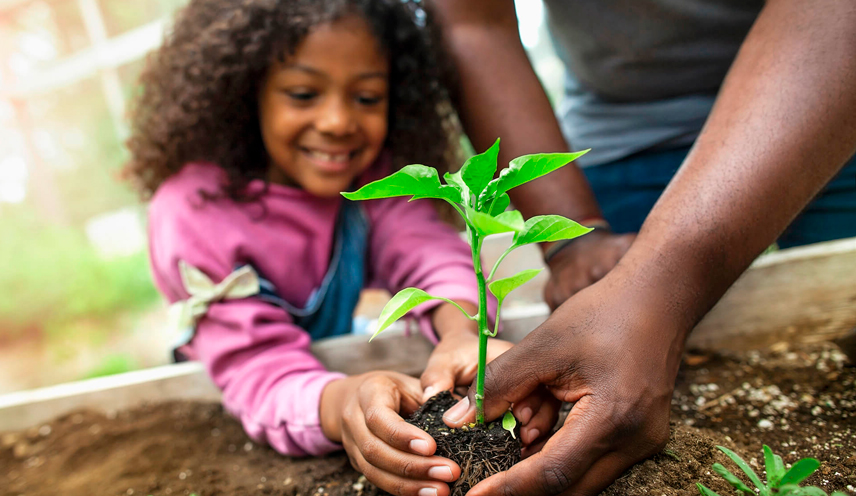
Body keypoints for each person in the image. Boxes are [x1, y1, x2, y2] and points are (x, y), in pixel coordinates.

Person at [124, 2, 556, 495]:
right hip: (236, 375)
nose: (336, 121)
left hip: (323, 353)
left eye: (367, 97)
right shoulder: (195, 210)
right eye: (304, 93)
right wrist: (341, 403)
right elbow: (257, 369)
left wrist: (462, 332)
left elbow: (426, 254)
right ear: (246, 93)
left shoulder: (369, 181)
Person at [429, 0, 856, 495]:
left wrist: (659, 285)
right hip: (627, 132)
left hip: (830, 92)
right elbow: (471, 22)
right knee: (606, 343)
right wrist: (575, 240)